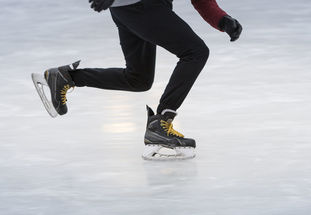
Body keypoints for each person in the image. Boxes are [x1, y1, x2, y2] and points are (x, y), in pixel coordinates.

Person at [41, 0, 242, 160]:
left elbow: (202, 1)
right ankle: (161, 124)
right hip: (141, 6)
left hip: (131, 9)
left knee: (138, 79)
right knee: (196, 52)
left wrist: (222, 20)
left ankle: (66, 77)